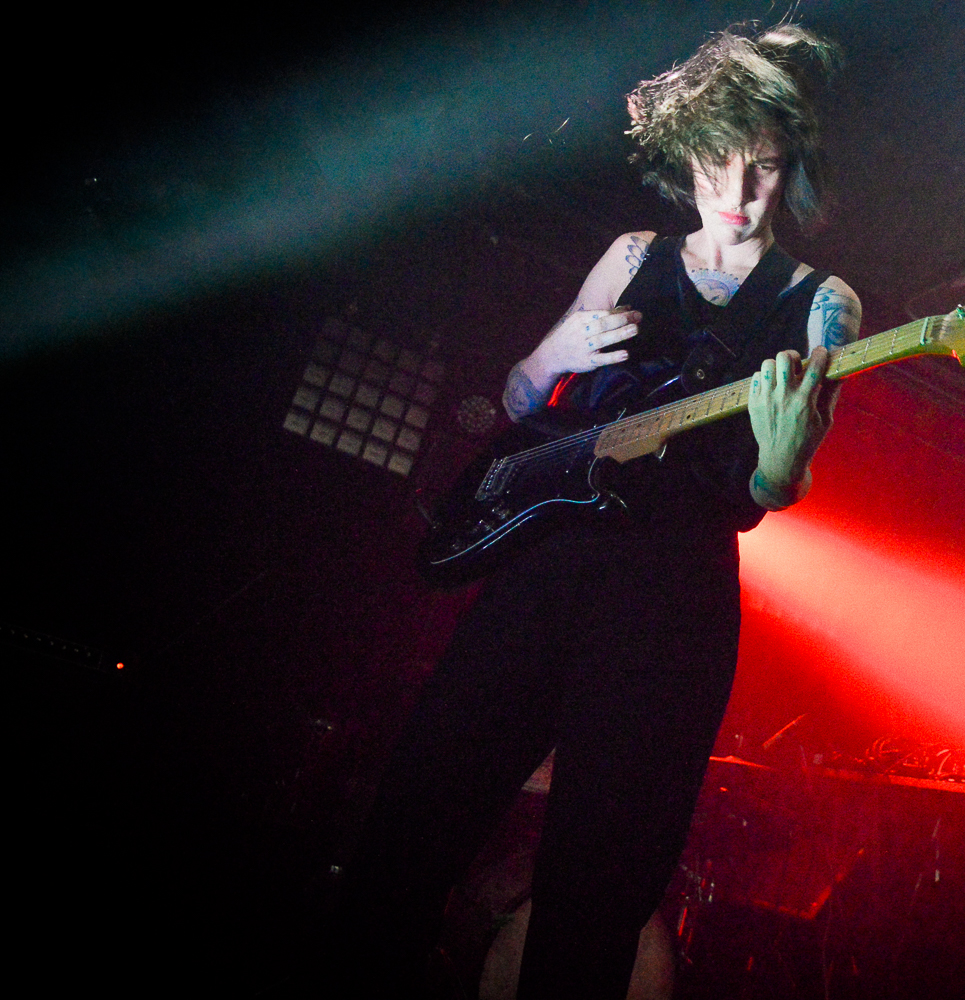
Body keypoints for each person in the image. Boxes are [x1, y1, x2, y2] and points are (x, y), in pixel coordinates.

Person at [333, 24, 860, 1000]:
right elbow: (519, 401)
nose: (739, 193)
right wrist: (553, 356)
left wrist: (783, 466)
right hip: (546, 568)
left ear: (792, 167)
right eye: (719, 164)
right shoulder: (630, 256)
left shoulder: (822, 304)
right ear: (687, 154)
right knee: (413, 821)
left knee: (600, 888)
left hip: (671, 601)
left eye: (764, 168)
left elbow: (771, 489)